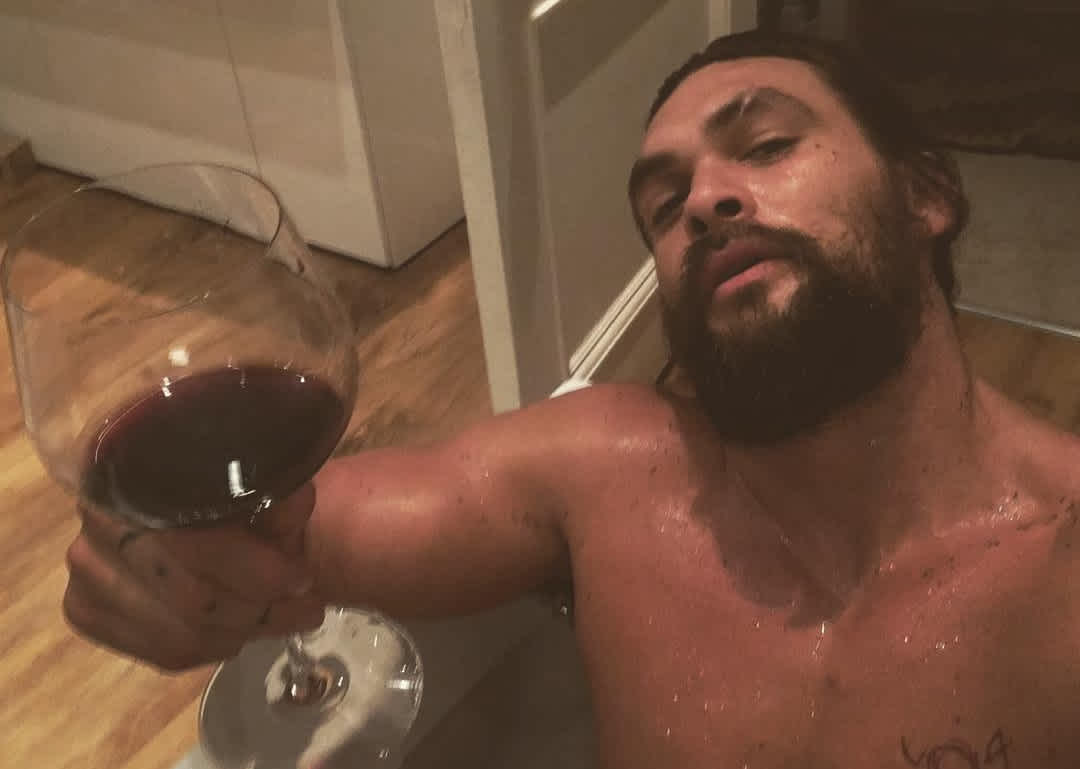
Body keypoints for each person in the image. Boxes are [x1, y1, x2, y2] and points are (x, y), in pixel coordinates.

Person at [62, 31, 1080, 768]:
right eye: (665, 205)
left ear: (926, 196)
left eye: (768, 146)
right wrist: (160, 555)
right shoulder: (610, 468)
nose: (706, 202)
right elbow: (299, 528)